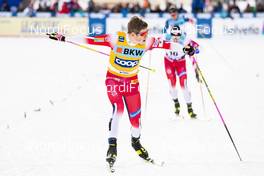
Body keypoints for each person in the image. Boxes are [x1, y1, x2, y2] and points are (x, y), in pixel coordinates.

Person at [47, 16, 170, 170]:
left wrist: (187, 49)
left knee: (136, 121)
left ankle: (135, 141)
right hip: (113, 80)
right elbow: (89, 39)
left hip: (131, 83)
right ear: (133, 34)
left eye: (147, 33)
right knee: (118, 110)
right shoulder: (115, 39)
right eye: (143, 34)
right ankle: (112, 146)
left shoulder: (147, 42)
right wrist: (64, 38)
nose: (147, 37)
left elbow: (168, 45)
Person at [164, 25, 201, 118]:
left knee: (183, 85)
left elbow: (197, 48)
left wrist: (194, 50)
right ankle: (176, 104)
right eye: (173, 34)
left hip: (180, 62)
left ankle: (190, 109)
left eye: (178, 35)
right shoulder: (166, 37)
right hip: (169, 62)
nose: (175, 37)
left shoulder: (185, 40)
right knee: (172, 85)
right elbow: (153, 42)